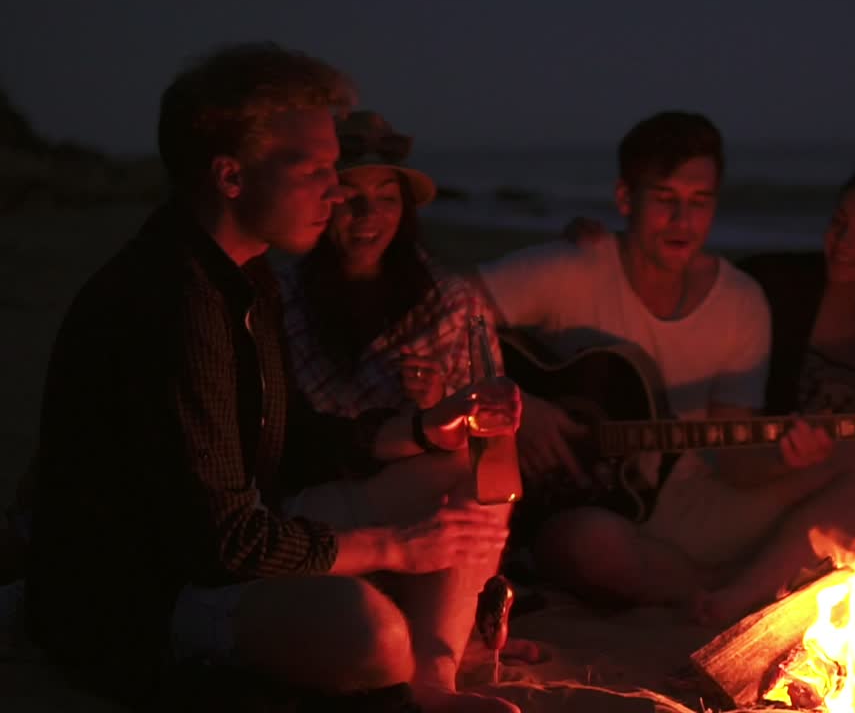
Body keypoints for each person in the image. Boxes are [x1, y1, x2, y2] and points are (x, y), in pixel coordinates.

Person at [23, 43, 520, 713]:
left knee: (459, 467)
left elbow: (293, 440)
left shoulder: (250, 275)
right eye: (314, 170)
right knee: (371, 638)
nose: (336, 190)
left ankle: (434, 681)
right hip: (148, 591)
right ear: (231, 176)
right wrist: (396, 549)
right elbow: (226, 542)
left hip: (239, 535)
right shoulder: (176, 302)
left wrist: (424, 429)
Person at [475, 111, 833, 611]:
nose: (683, 221)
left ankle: (728, 585)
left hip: (682, 501)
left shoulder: (741, 301)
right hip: (572, 512)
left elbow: (735, 460)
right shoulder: (573, 266)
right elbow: (443, 313)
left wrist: (783, 455)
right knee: (588, 545)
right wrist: (516, 404)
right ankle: (726, 593)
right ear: (626, 198)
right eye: (665, 199)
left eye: (699, 201)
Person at [275, 108, 541, 677]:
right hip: (314, 509)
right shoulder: (283, 299)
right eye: (350, 196)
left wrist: (442, 407)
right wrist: (410, 429)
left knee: (480, 471)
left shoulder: (449, 303)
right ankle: (440, 650)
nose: (368, 216)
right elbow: (288, 442)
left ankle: (441, 658)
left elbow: (490, 445)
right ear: (324, 200)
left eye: (387, 198)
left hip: (411, 504)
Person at [699, 155, 855, 624]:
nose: (843, 243)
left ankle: (759, 584)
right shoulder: (774, 285)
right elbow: (689, 280)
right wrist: (603, 247)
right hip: (747, 472)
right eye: (839, 224)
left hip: (827, 501)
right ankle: (740, 597)